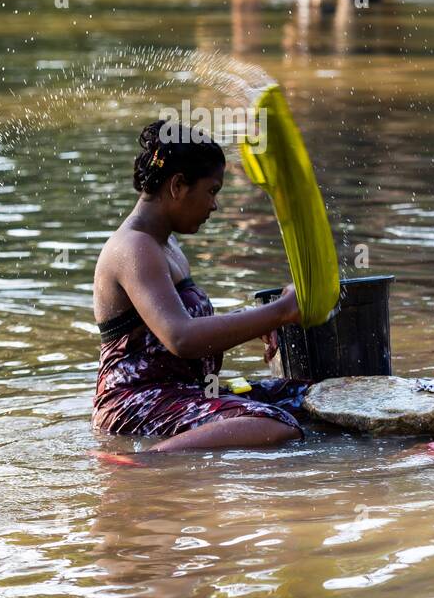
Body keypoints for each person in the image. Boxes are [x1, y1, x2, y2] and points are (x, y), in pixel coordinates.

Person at [92, 119, 308, 454]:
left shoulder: (166, 245)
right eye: (212, 191)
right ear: (178, 185)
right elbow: (182, 337)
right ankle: (144, 463)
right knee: (274, 425)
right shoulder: (134, 248)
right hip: (134, 404)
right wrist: (280, 312)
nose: (214, 205)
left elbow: (189, 325)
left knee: (307, 398)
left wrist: (260, 322)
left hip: (187, 393)